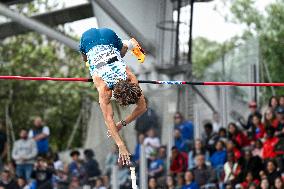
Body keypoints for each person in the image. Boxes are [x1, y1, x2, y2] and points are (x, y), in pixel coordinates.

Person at [80, 28, 147, 165]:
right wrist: (121, 146)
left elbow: (142, 107)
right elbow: (109, 120)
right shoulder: (105, 87)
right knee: (85, 58)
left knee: (118, 55)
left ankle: (129, 44)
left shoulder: (129, 78)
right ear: (115, 95)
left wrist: (122, 123)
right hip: (92, 39)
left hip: (104, 36)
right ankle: (127, 44)